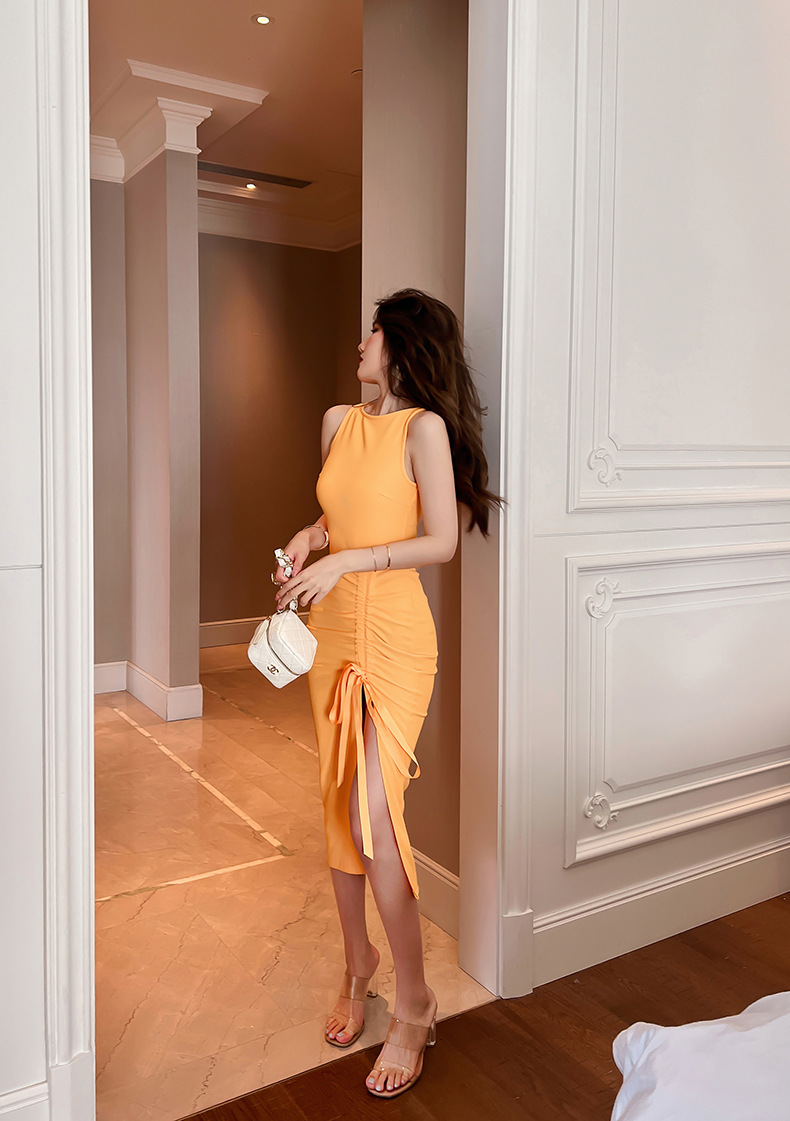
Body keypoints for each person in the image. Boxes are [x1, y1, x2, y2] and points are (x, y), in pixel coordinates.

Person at [272, 287, 503, 1098]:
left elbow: (439, 541)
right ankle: (357, 962)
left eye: (373, 330)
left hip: (398, 637)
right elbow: (339, 516)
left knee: (375, 811)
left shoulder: (424, 430)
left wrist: (347, 560)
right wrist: (311, 538)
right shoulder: (338, 421)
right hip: (333, 632)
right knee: (338, 802)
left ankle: (414, 1000)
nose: (361, 341)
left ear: (401, 346)